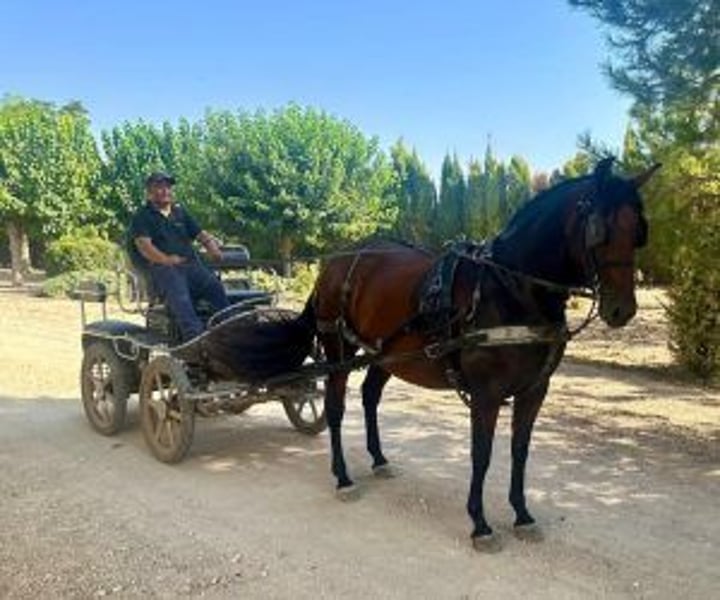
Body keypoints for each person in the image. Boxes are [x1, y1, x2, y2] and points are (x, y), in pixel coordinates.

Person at [128, 171, 230, 342]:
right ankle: (194, 339)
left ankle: (231, 329)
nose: (165, 191)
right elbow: (144, 246)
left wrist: (213, 248)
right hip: (161, 271)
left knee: (214, 286)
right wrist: (166, 260)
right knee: (180, 295)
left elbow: (200, 234)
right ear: (149, 192)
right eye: (159, 187)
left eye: (168, 187)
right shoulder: (142, 216)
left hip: (189, 267)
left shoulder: (180, 212)